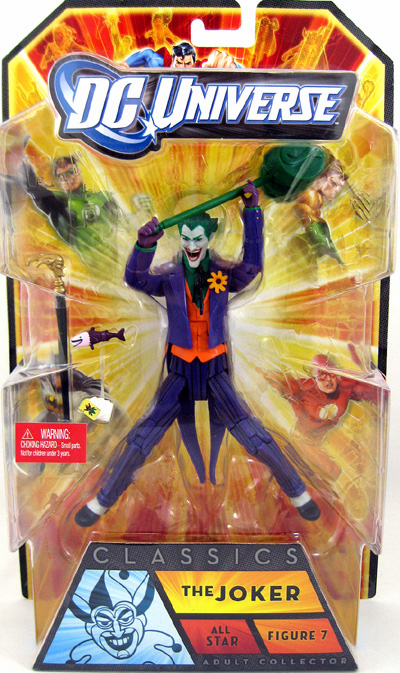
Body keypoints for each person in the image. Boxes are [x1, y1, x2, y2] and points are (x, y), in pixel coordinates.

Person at [75, 182, 320, 527]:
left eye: (198, 239)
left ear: (209, 238)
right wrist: (144, 245)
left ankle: (297, 491)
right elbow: (136, 280)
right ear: (180, 239)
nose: (192, 246)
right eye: (186, 239)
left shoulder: (223, 273)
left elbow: (252, 268)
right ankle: (102, 500)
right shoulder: (169, 276)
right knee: (144, 436)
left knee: (251, 433)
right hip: (179, 369)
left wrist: (252, 214)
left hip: (216, 367)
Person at [259, 354, 380, 479]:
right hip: (301, 441)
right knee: (332, 471)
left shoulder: (343, 387)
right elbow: (287, 384)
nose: (328, 380)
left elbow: (368, 390)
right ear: (315, 377)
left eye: (331, 374)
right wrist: (267, 374)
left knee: (333, 472)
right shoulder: (304, 389)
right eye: (322, 376)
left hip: (317, 442)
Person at [16, 155, 123, 273]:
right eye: (61, 176)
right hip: (95, 269)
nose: (68, 178)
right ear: (59, 182)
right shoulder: (61, 202)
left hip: (121, 264)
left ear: (79, 171)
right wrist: (20, 160)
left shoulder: (103, 197)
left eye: (71, 172)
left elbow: (125, 225)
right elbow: (35, 190)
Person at [294, 158, 347, 264]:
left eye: (339, 187)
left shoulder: (318, 198)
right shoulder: (311, 196)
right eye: (333, 184)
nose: (336, 190)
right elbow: (304, 215)